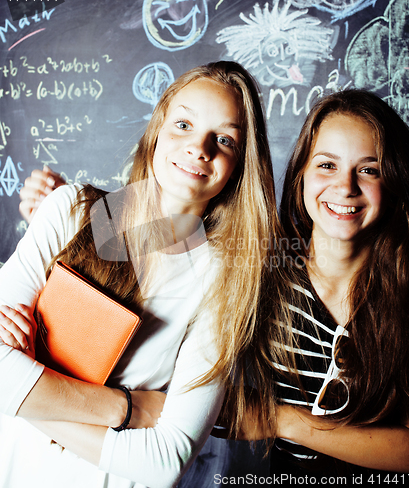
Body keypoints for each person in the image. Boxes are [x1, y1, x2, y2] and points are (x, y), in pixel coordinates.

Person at [0, 60, 286, 488]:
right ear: (157, 130)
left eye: (224, 139)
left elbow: (165, 461)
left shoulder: (224, 281)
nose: (199, 148)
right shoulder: (71, 210)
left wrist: (23, 393)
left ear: (241, 165)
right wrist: (128, 409)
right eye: (184, 124)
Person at [242, 89, 409, 476]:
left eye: (368, 169)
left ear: (392, 182)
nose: (346, 187)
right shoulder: (259, 277)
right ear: (300, 176)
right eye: (327, 165)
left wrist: (281, 420)